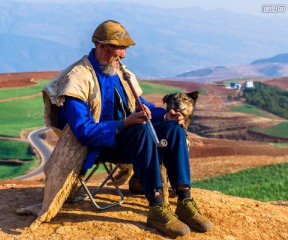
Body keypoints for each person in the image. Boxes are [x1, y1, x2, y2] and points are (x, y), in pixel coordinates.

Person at [41, 20, 212, 238]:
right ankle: (158, 207)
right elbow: (83, 131)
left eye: (125, 49)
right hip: (100, 145)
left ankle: (185, 200)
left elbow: (141, 105)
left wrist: (164, 115)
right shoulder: (77, 78)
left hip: (131, 139)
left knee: (173, 129)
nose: (123, 55)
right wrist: (124, 124)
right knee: (141, 132)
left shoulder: (119, 72)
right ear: (103, 47)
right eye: (120, 48)